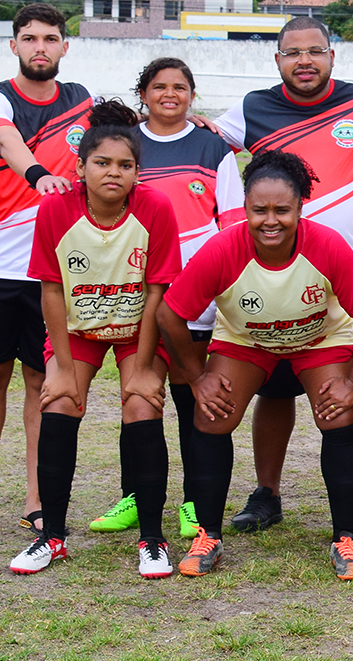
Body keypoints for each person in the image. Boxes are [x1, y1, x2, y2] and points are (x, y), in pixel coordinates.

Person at [213, 17, 353, 535]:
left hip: (352, 284)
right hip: (275, 279)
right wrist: (232, 217)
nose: (305, 60)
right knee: (274, 393)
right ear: (276, 60)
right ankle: (267, 492)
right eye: (292, 53)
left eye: (315, 51)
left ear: (332, 55)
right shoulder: (252, 108)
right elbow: (205, 148)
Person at [156, 150, 353, 578]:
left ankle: (345, 538)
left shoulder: (326, 245)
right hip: (247, 341)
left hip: (318, 339)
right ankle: (209, 536)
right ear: (244, 209)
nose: (270, 220)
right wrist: (197, 378)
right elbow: (169, 314)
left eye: (282, 209)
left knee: (340, 413)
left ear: (301, 207)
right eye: (259, 210)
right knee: (211, 415)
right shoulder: (224, 248)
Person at [9, 101, 182, 577]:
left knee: (142, 402)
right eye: (102, 163)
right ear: (81, 168)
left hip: (136, 328)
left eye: (125, 165)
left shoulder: (156, 208)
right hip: (77, 328)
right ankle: (53, 537)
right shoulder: (56, 209)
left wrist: (144, 366)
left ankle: (152, 539)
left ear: (137, 172)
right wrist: (62, 367)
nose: (113, 172)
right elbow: (50, 289)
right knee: (60, 401)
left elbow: (155, 293)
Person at [0, 3, 95, 542]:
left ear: (65, 47)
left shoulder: (84, 101)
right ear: (13, 46)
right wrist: (38, 173)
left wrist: (190, 118)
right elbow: (4, 140)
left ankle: (38, 500)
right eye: (30, 38)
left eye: (51, 38)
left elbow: (134, 132)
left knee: (42, 383)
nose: (41, 47)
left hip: (54, 273)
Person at [89, 59, 245, 541]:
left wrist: (228, 288)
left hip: (196, 292)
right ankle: (136, 495)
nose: (170, 95)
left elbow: (233, 221)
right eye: (159, 87)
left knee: (191, 396)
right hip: (134, 288)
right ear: (144, 93)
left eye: (179, 87)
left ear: (192, 95)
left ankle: (194, 505)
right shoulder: (124, 144)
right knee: (139, 393)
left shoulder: (211, 145)